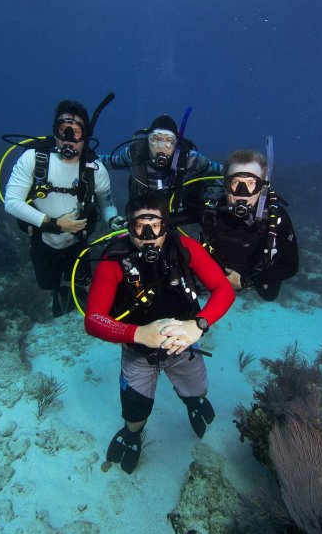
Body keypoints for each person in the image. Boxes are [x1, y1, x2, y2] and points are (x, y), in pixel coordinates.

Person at [85, 191, 235, 474]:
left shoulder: (187, 248)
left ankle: (193, 403)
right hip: (138, 353)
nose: (149, 235)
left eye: (156, 226)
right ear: (129, 228)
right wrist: (137, 334)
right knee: (134, 409)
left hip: (183, 344)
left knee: (197, 389)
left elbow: (224, 290)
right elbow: (93, 319)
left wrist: (198, 325)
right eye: (140, 227)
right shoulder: (114, 259)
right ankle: (132, 434)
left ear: (167, 226)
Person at [4, 99, 124, 317]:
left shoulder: (95, 169)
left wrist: (113, 220)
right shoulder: (34, 159)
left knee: (81, 289)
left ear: (85, 135)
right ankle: (56, 296)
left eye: (75, 132)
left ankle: (72, 299)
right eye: (63, 130)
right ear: (55, 132)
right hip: (42, 240)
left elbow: (106, 203)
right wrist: (54, 223)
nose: (69, 138)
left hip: (77, 242)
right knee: (47, 286)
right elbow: (12, 201)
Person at [196, 149, 298, 301]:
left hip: (257, 272)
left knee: (269, 295)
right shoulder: (210, 210)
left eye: (251, 184)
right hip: (218, 272)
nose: (242, 193)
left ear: (262, 188)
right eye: (235, 182)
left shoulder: (276, 218)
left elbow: (290, 266)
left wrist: (246, 282)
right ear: (225, 185)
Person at [99, 114, 223, 213]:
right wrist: (85, 158)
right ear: (147, 140)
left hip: (183, 213)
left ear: (177, 144)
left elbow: (222, 171)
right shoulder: (134, 155)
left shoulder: (192, 160)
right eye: (155, 139)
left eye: (169, 141)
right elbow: (109, 162)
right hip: (145, 213)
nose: (161, 147)